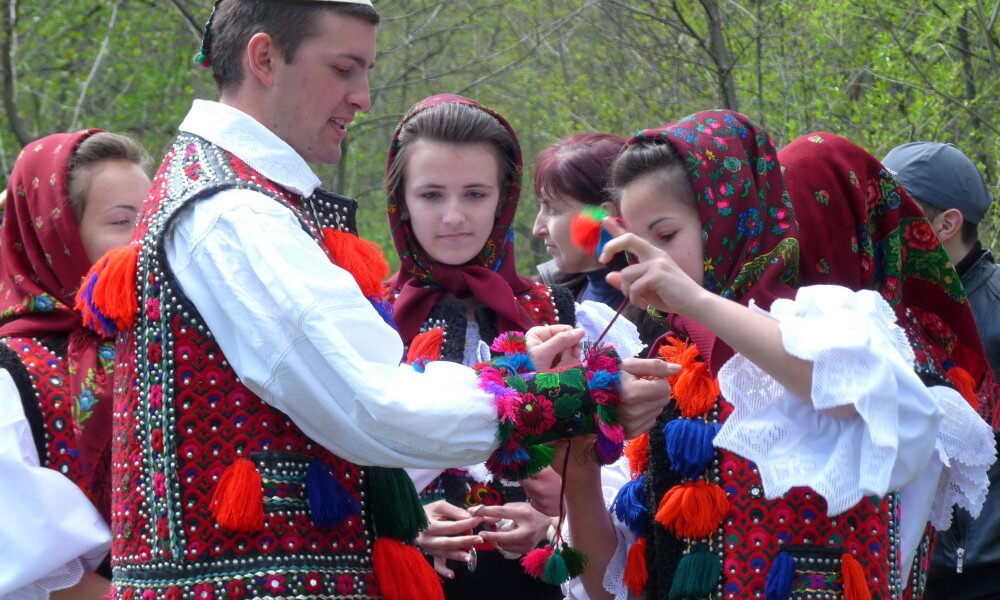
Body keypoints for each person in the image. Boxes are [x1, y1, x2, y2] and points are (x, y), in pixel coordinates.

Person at [84, 2, 672, 598]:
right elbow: (368, 405)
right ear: (263, 58)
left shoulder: (234, 195)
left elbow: (345, 411)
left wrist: (523, 389)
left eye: (475, 193)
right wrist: (569, 396)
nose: (364, 95)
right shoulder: (233, 211)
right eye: (344, 68)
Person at [555, 111, 994, 600]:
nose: (651, 263)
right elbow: (621, 586)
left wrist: (697, 302)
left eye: (665, 236)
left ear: (735, 222)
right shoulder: (680, 373)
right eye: (636, 245)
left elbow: (871, 400)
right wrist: (578, 466)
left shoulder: (846, 334)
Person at [385, 94, 645, 599]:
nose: (454, 216)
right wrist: (400, 518)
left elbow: (609, 476)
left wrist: (554, 523)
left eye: (477, 194)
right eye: (432, 195)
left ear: (505, 197)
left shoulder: (561, 315)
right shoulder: (366, 312)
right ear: (401, 198)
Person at [0, 129, 151, 599]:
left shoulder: (162, 348)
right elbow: (38, 566)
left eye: (152, 220)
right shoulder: (11, 374)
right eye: (122, 222)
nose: (145, 243)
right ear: (56, 235)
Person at [881, 142, 1000, 599]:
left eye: (894, 216)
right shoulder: (892, 308)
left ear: (946, 224)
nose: (877, 230)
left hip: (978, 578)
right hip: (910, 572)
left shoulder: (992, 316)